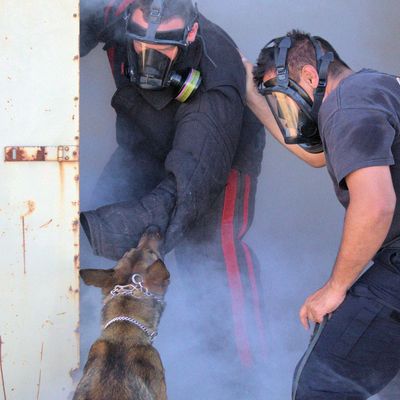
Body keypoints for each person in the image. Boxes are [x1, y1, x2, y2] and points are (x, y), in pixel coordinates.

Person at [80, 0, 267, 398]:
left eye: (164, 46)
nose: (149, 56)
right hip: (146, 141)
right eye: (140, 43)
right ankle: (102, 357)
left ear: (191, 35)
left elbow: (188, 189)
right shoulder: (117, 13)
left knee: (213, 256)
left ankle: (243, 377)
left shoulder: (216, 75)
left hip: (215, 162)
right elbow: (56, 32)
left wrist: (90, 230)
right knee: (94, 237)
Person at [243, 30, 400, 399]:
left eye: (282, 100)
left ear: (311, 78)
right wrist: (253, 97)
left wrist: (335, 287)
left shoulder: (346, 104)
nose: (287, 114)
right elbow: (318, 156)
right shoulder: (374, 89)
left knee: (321, 386)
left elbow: (376, 205)